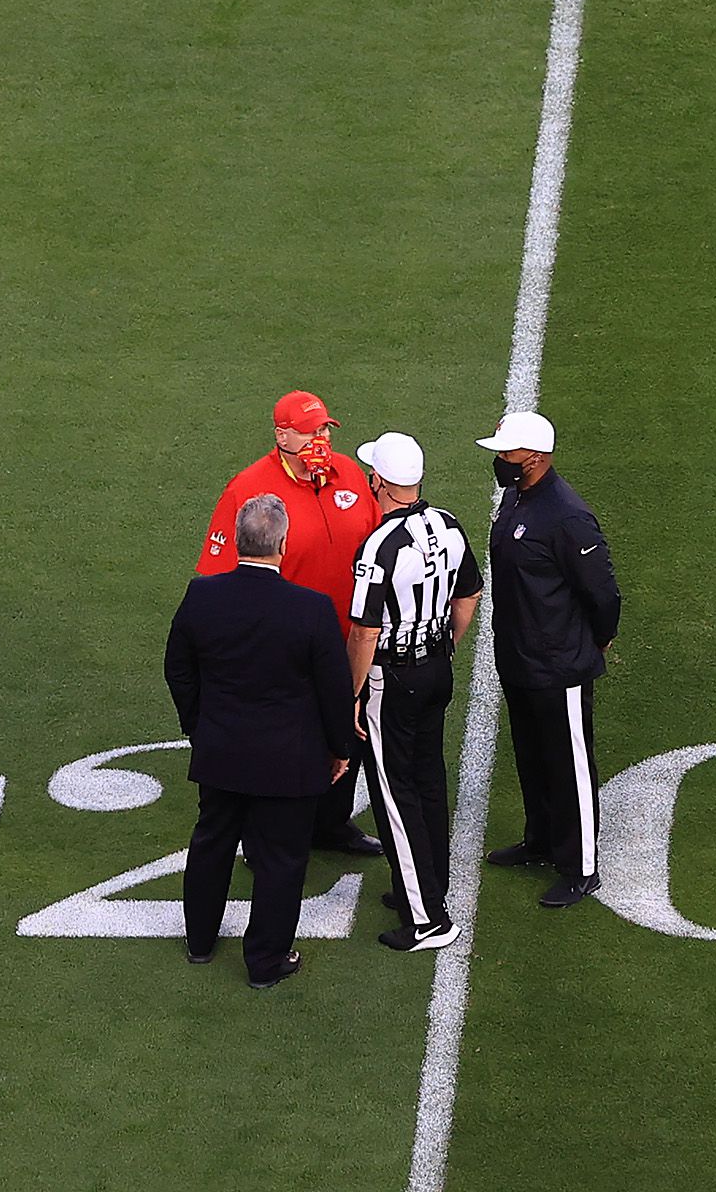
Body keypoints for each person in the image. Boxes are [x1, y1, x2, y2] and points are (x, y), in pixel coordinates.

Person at [165, 493, 356, 990]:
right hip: (287, 763)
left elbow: (178, 669)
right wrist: (339, 750)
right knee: (280, 861)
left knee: (211, 845)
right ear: (283, 544)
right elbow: (335, 691)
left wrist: (199, 725)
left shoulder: (201, 596)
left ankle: (199, 942)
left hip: (221, 752)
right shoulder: (311, 609)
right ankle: (266, 962)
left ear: (239, 539)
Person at [197, 389, 386, 857]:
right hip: (285, 640)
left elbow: (379, 539)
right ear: (282, 435)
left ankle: (332, 823)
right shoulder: (249, 490)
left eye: (324, 429)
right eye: (310, 431)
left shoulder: (349, 475)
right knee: (290, 738)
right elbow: (219, 576)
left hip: (352, 633)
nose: (320, 439)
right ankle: (273, 836)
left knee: (349, 726)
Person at [476, 411, 619, 909]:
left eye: (508, 453)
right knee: (533, 756)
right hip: (518, 658)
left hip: (558, 666)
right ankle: (539, 840)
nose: (500, 460)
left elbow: (601, 592)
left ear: (534, 458)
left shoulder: (567, 515)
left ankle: (581, 867)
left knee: (570, 763)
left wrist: (598, 640)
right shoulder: (517, 498)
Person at [347, 431, 482, 952]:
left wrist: (353, 694)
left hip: (392, 677)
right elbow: (470, 591)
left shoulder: (379, 546)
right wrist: (444, 644)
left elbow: (364, 632)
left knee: (394, 792)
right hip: (435, 669)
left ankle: (427, 920)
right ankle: (428, 885)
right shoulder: (447, 524)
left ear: (378, 480)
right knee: (428, 780)